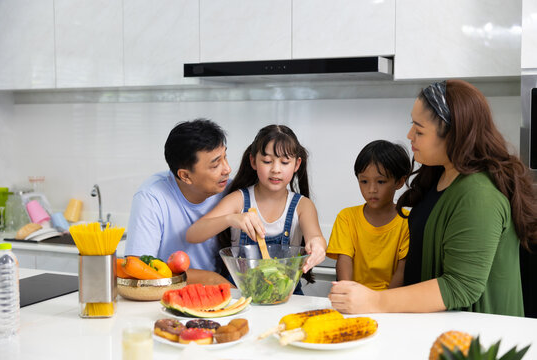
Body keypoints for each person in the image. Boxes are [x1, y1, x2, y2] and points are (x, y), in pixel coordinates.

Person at [329, 80, 537, 316]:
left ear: (453, 135)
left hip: (475, 338)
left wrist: (376, 301)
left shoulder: (479, 195)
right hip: (436, 326)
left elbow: (461, 286)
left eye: (419, 130)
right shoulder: (439, 174)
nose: (409, 135)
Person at [186, 124, 327, 292]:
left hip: (286, 293)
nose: (276, 169)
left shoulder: (302, 206)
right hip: (240, 291)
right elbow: (192, 234)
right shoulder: (238, 200)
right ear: (253, 161)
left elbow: (316, 238)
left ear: (296, 165)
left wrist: (318, 246)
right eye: (267, 161)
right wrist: (232, 219)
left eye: (284, 162)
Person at [124, 119, 233, 285]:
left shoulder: (229, 190)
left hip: (218, 292)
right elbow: (138, 267)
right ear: (185, 176)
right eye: (216, 164)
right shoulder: (151, 196)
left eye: (225, 157)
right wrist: (211, 279)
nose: (227, 169)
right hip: (166, 292)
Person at [326, 140, 411, 290]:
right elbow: (344, 261)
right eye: (364, 181)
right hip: (353, 298)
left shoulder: (408, 221)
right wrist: (348, 293)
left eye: (381, 181)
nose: (371, 189)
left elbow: (403, 271)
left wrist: (382, 303)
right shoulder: (346, 217)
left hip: (391, 303)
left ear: (399, 182)